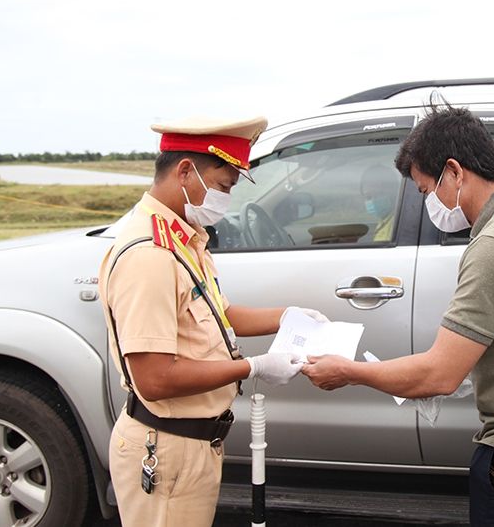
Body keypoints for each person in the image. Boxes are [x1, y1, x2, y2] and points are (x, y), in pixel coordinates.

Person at [302, 104, 494, 527]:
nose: (430, 204)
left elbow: (437, 376)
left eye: (427, 191)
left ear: (455, 173)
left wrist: (349, 372)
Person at [98, 116, 325, 527]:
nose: (225, 200)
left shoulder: (182, 237)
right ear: (185, 171)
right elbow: (154, 378)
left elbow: (217, 314)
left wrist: (286, 316)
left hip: (190, 444)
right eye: (222, 187)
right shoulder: (150, 255)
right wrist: (253, 367)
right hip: (167, 446)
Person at [360, 164, 400, 241]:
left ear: (392, 193)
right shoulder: (383, 221)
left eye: (378, 195)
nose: (373, 201)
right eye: (368, 197)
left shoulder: (396, 223)